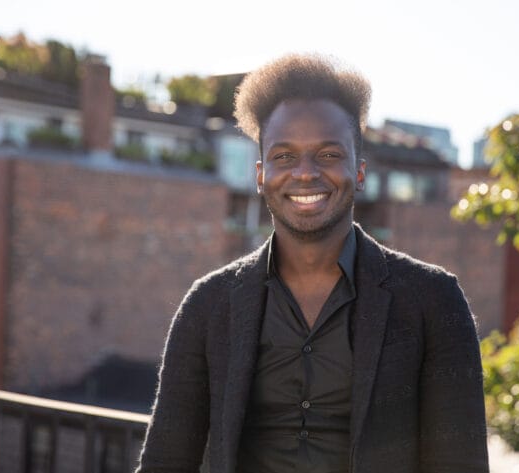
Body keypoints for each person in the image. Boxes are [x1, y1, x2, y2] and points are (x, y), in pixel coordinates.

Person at [136, 54, 489, 473]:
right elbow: (164, 462)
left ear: (359, 172)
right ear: (260, 174)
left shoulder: (433, 302)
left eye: (326, 155)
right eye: (284, 157)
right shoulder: (208, 305)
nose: (305, 174)